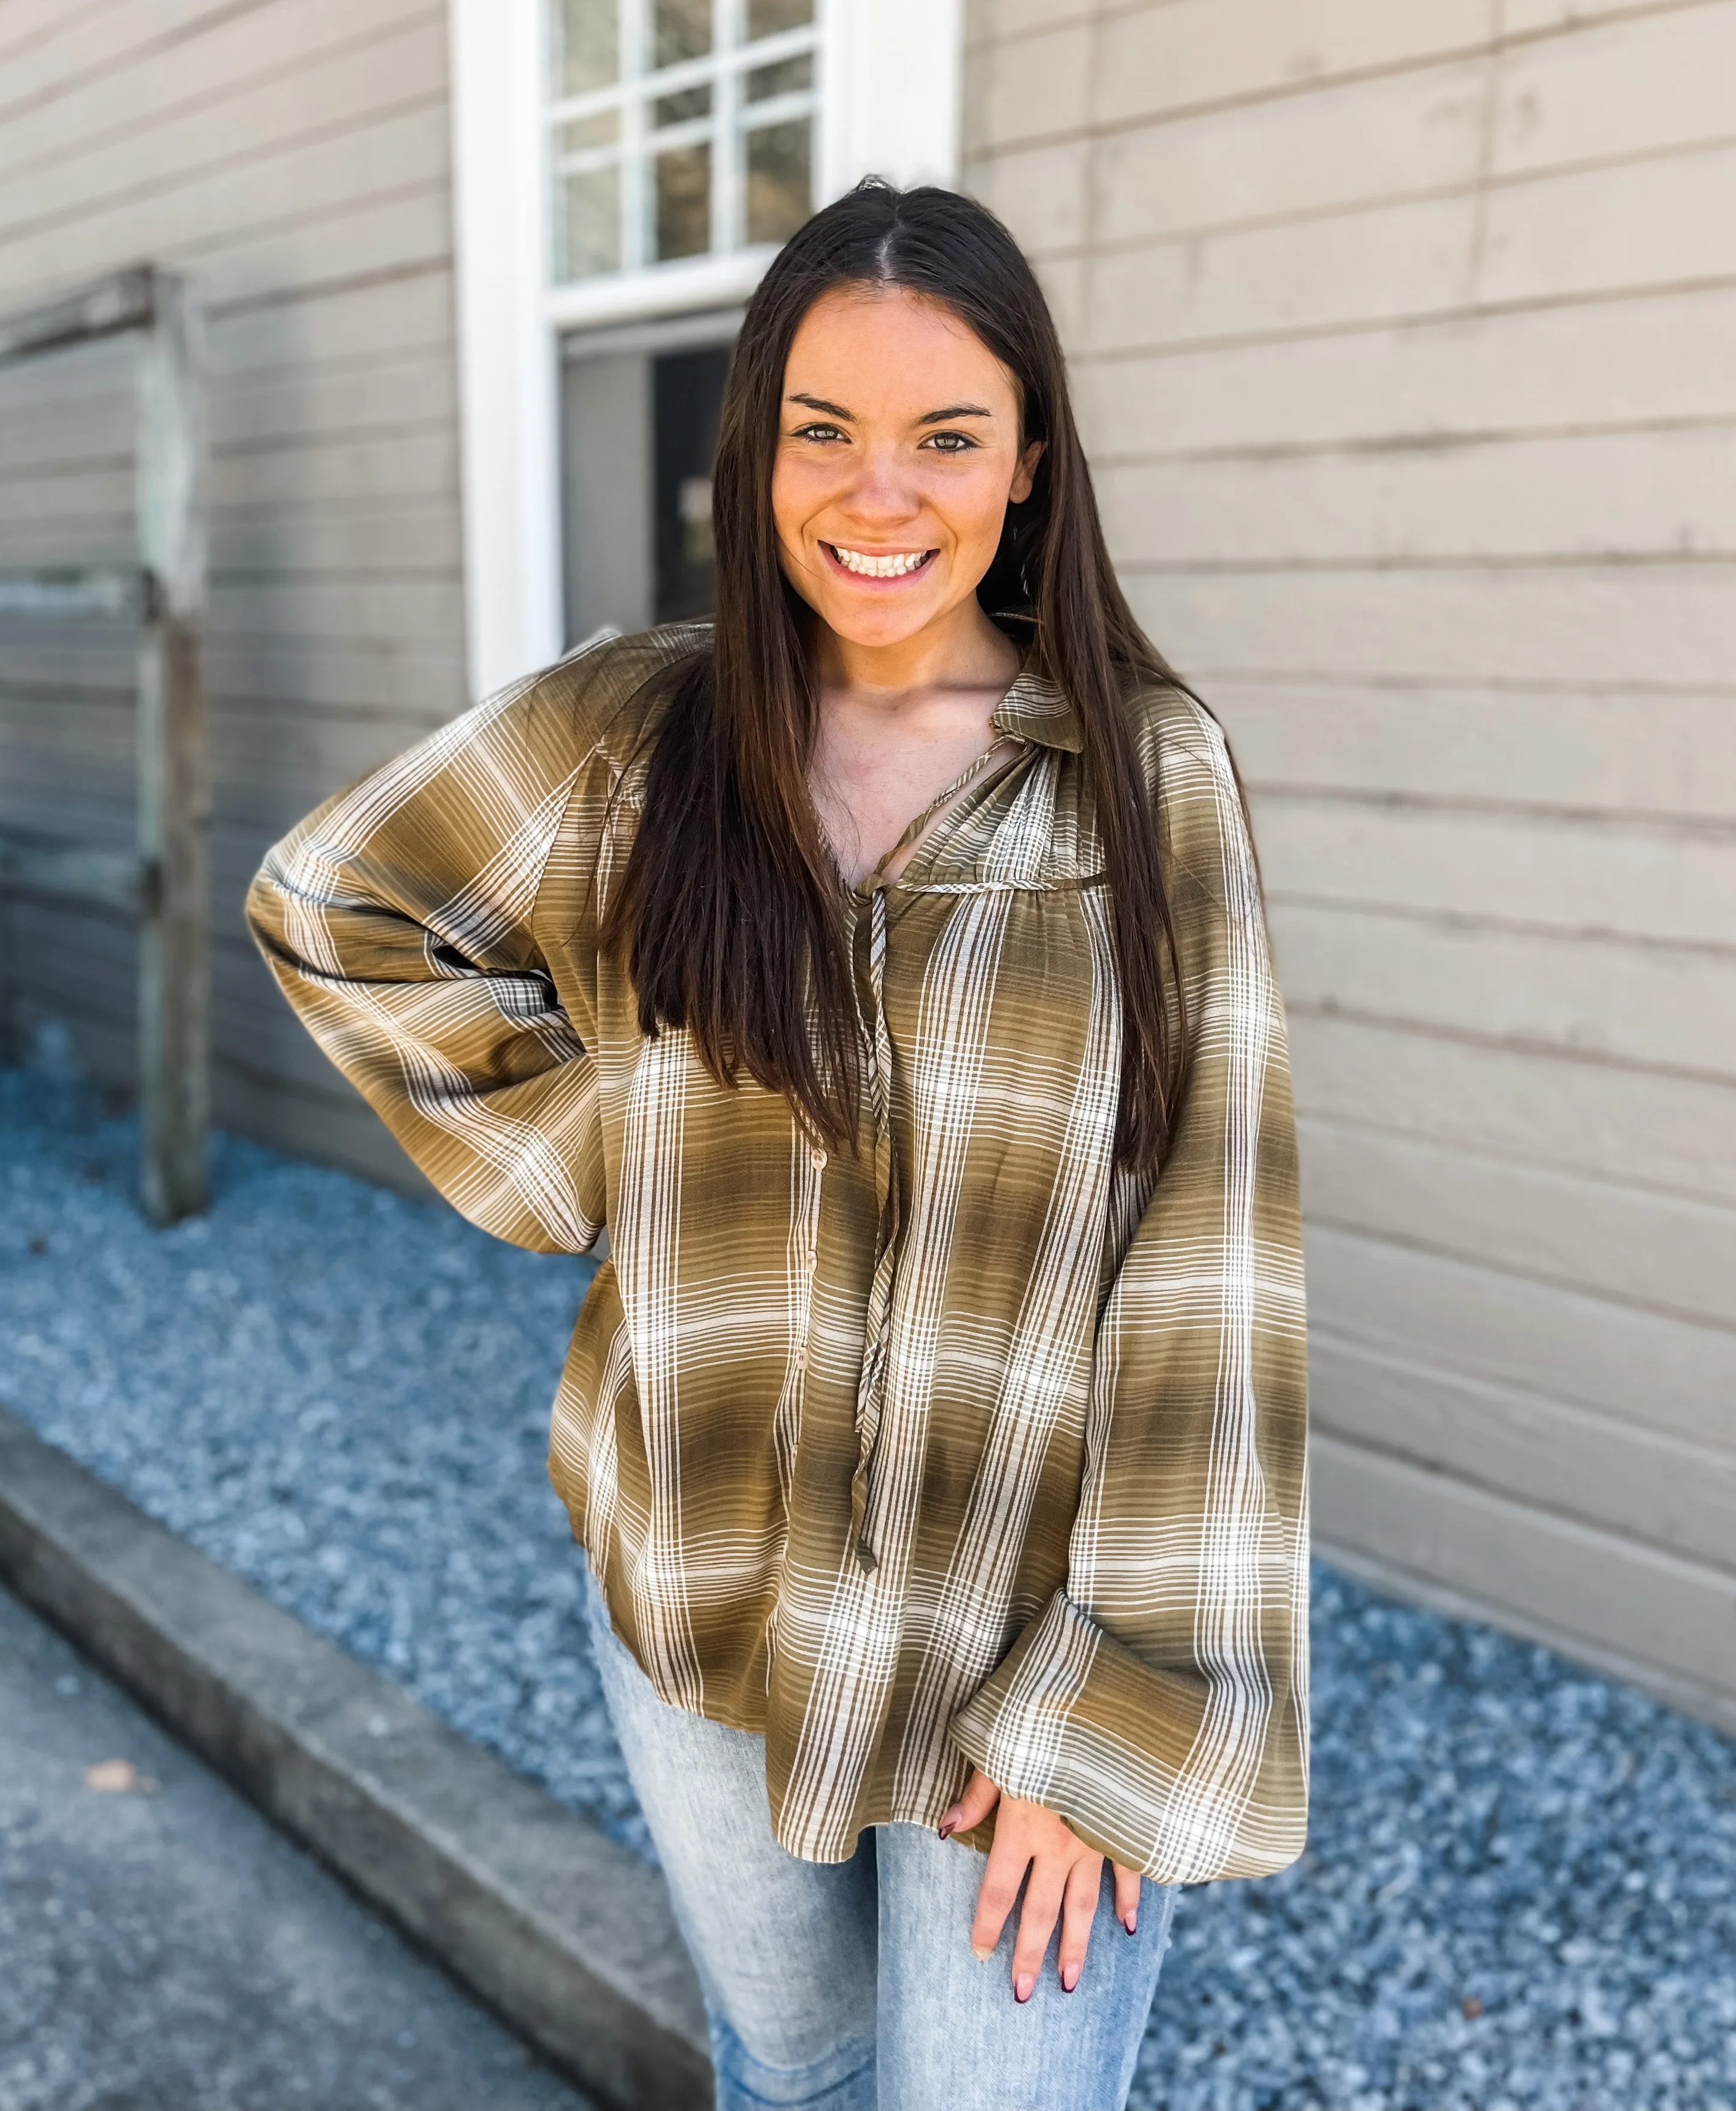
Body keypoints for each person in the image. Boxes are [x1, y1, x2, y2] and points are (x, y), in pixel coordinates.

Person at [246, 179, 1309, 2111]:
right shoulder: (637, 735)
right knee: (792, 2068)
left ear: (1030, 463)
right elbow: (338, 904)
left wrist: (1124, 1697)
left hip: (1018, 1624)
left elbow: (1213, 1250)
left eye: (945, 436)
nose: (876, 493)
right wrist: (598, 1144)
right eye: (821, 430)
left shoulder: (1149, 780)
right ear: (756, 451)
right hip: (700, 1573)